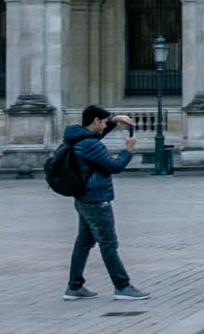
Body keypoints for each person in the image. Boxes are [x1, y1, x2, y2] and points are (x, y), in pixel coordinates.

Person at [62, 105, 150, 301]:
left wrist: (114, 119)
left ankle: (74, 287)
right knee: (108, 243)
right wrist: (128, 151)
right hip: (96, 200)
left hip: (83, 198)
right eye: (102, 122)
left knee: (84, 242)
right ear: (95, 121)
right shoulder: (91, 145)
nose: (104, 126)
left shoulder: (78, 138)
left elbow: (97, 136)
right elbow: (114, 166)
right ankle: (123, 286)